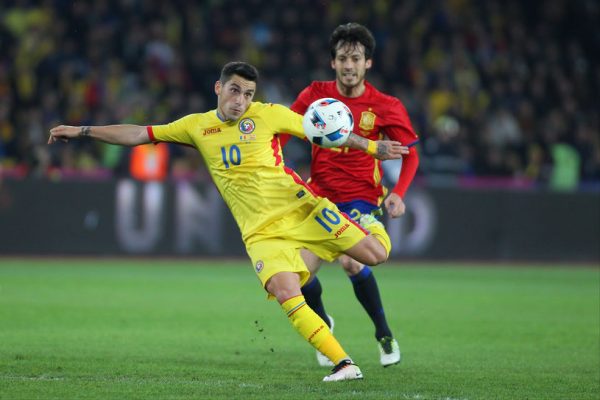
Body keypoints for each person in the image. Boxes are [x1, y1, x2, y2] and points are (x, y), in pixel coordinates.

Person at [48, 61, 410, 382]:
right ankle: (343, 364)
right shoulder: (195, 126)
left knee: (374, 255)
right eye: (235, 90)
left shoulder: (269, 114)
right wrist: (83, 131)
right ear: (219, 88)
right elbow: (140, 133)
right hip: (260, 232)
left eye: (248, 93)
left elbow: (324, 131)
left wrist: (371, 146)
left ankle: (368, 219)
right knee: (286, 292)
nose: (241, 100)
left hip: (304, 209)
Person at [281, 23, 420, 368]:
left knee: (351, 260)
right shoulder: (315, 94)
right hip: (319, 198)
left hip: (360, 199)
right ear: (332, 62)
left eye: (355, 58)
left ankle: (383, 334)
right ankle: (324, 322)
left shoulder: (385, 105)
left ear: (367, 63)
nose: (348, 65)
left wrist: (399, 193)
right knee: (300, 273)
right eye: (342, 58)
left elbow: (411, 153)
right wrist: (273, 165)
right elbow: (283, 130)